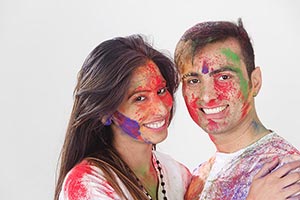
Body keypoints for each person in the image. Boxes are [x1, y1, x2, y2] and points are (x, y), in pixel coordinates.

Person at [55, 34, 299, 200]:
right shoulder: (86, 184)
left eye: (161, 91)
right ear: (105, 112)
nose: (161, 108)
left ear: (254, 82)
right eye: (139, 98)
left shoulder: (179, 176)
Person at [174, 18, 300, 199]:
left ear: (254, 82)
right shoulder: (197, 176)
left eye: (224, 77)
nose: (207, 96)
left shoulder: (284, 174)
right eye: (193, 81)